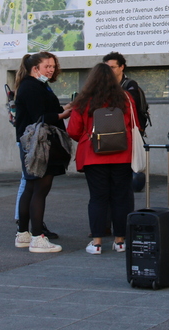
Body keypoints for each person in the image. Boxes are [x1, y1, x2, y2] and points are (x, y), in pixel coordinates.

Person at [66, 63, 137, 255]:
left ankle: (96, 242)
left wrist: (87, 137)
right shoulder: (126, 98)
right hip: (122, 154)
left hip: (93, 155)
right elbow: (135, 125)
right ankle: (120, 241)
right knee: (121, 197)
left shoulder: (83, 101)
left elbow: (72, 130)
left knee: (98, 198)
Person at [9, 52, 69, 251]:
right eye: (47, 66)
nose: (51, 70)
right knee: (39, 189)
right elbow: (40, 116)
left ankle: (23, 234)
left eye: (53, 66)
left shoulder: (35, 85)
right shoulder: (31, 86)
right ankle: (37, 237)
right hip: (38, 143)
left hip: (32, 142)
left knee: (30, 187)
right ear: (35, 68)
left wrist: (64, 108)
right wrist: (62, 114)